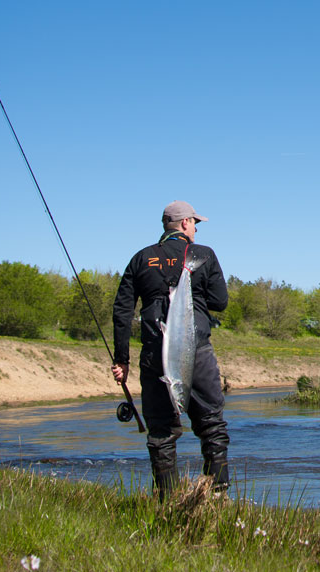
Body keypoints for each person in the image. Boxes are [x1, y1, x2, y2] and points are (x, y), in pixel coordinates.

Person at [112, 200, 230, 496]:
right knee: (212, 424)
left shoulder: (141, 258)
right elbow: (220, 302)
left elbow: (122, 311)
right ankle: (217, 495)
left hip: (154, 354)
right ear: (185, 224)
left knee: (161, 433)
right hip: (197, 351)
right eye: (195, 223)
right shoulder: (203, 255)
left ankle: (166, 501)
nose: (196, 229)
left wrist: (121, 360)